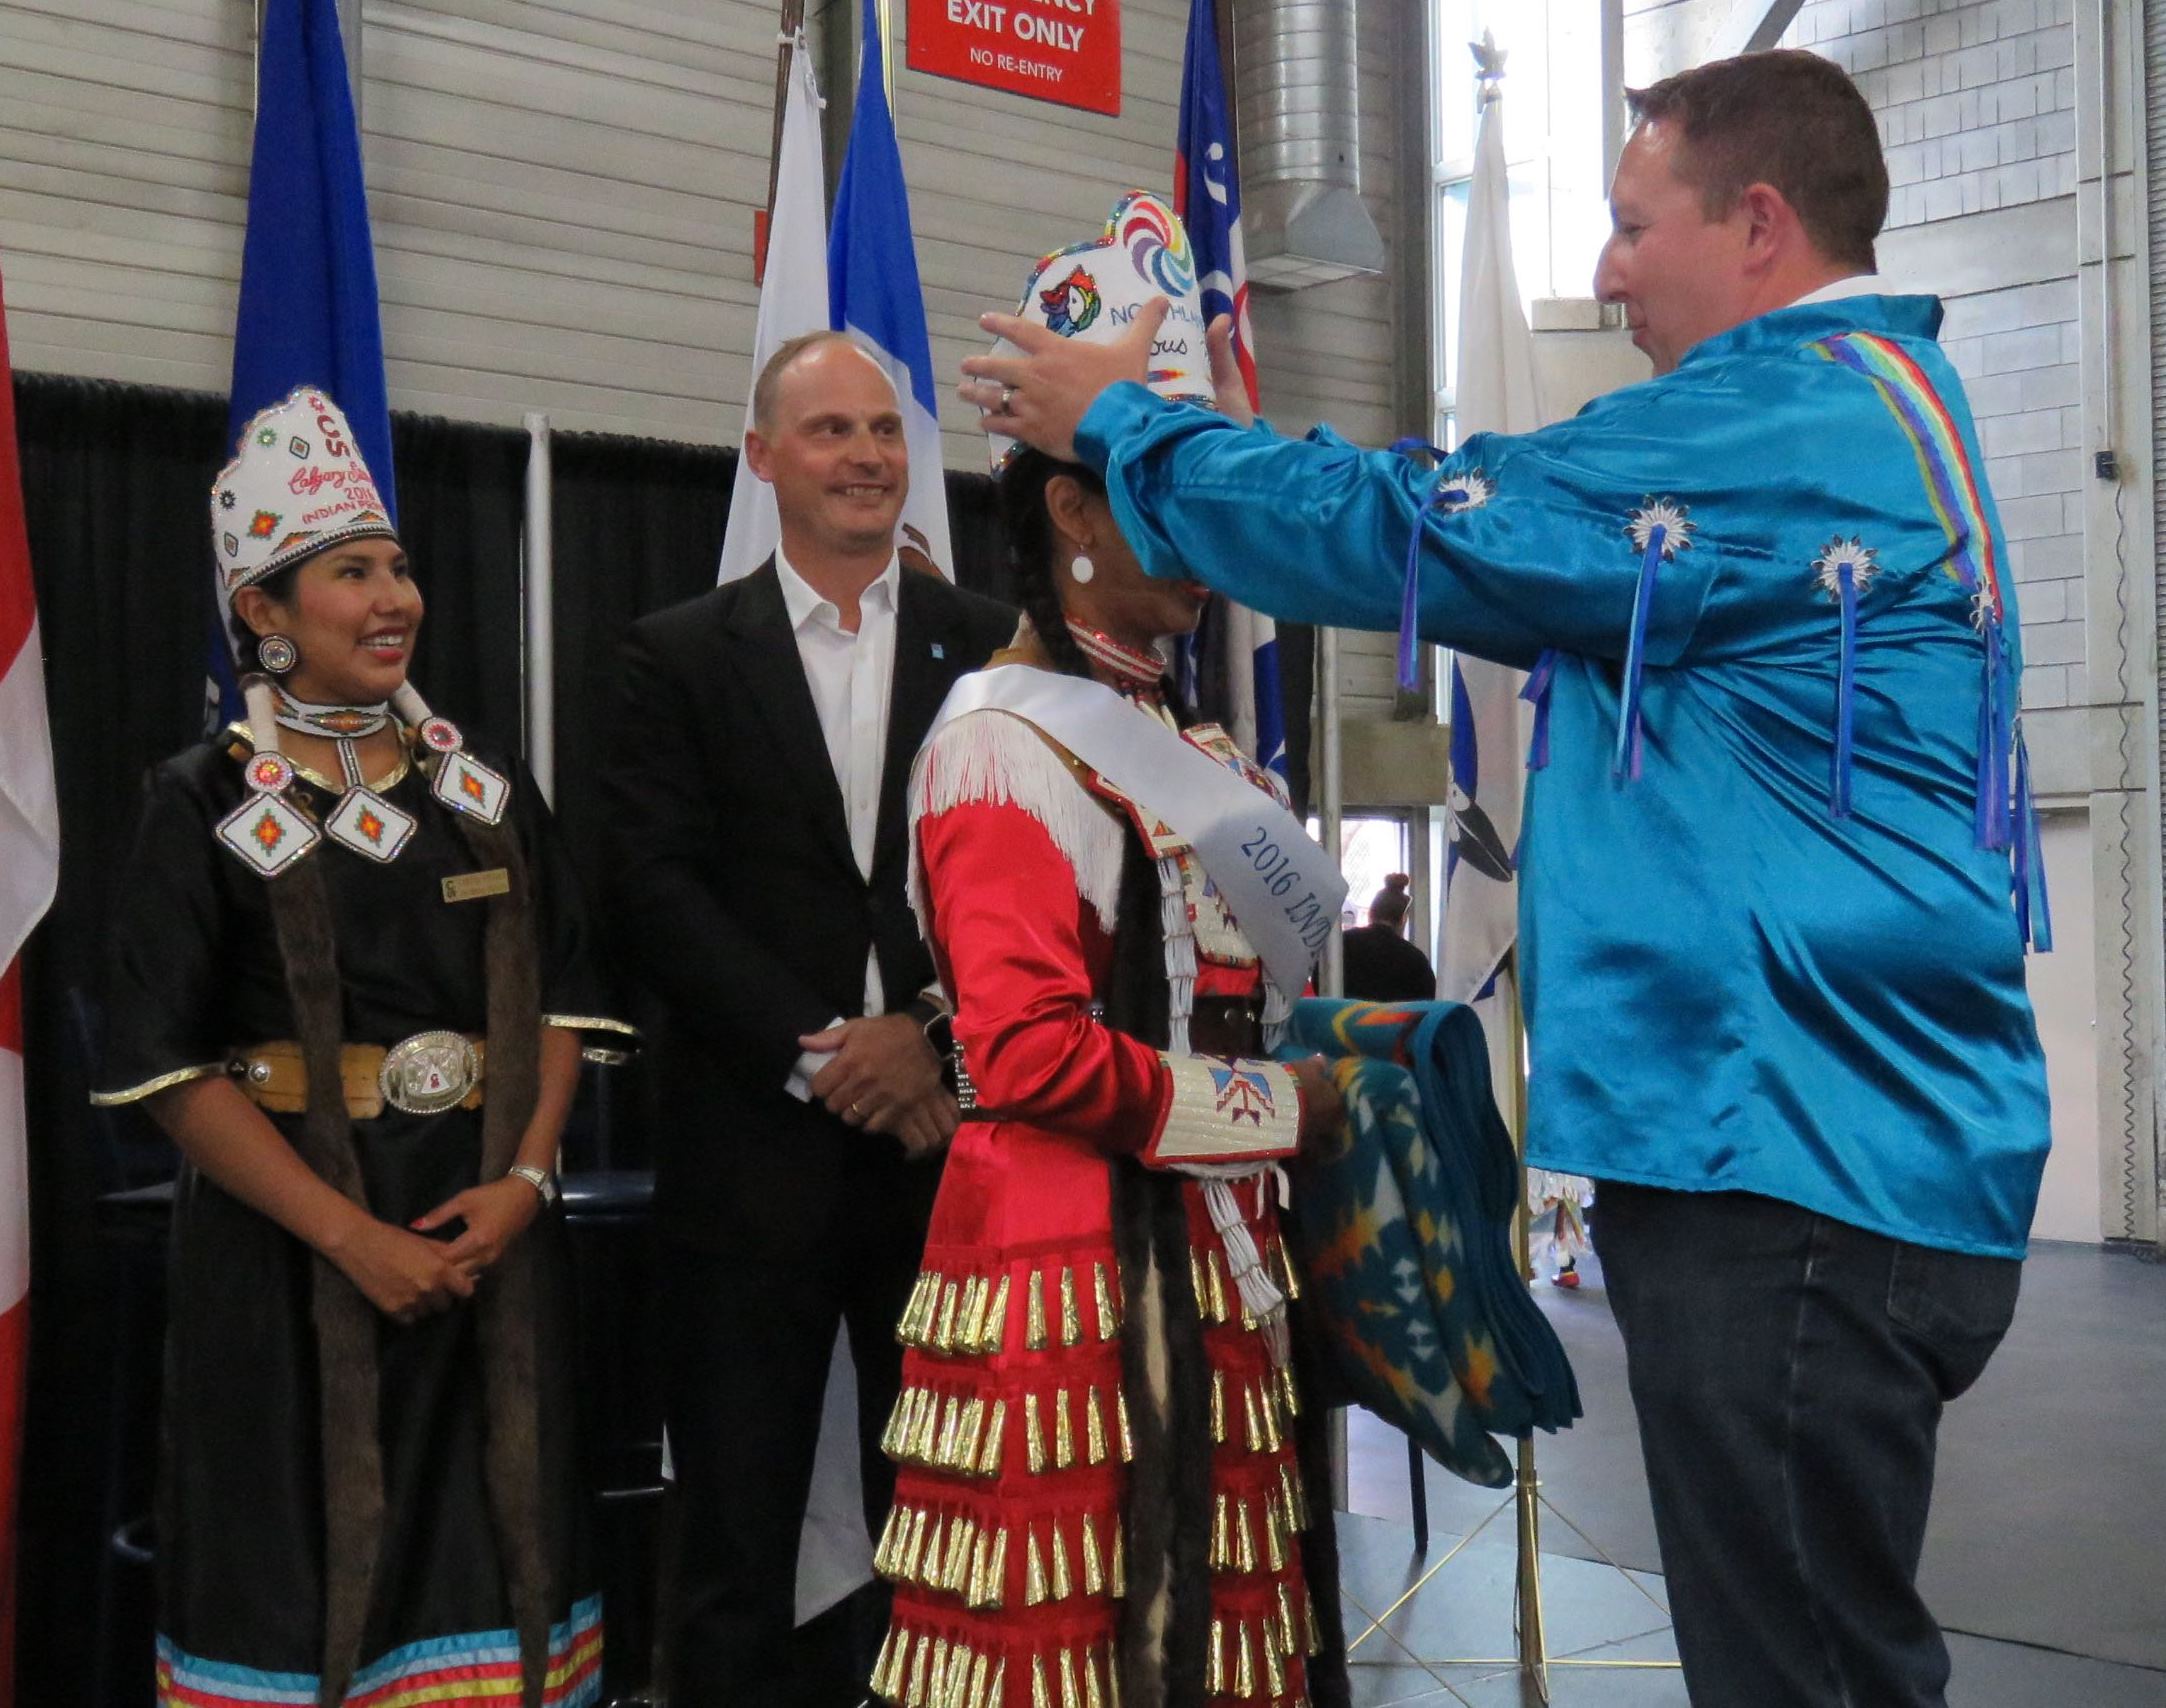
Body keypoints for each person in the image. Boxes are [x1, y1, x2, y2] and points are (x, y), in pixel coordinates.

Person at [959, 51, 2051, 1708]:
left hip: (1791, 1162)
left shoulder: (1789, 421)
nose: (1604, 272)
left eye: (1629, 224)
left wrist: (1129, 430)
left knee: (1801, 1673)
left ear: (1756, 222)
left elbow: (1442, 523)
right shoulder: (1858, 414)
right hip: (1818, 1150)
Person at [867, 190, 1349, 1708]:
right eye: (1161, 498)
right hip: (1067, 1278)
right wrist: (1284, 1113)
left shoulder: (1183, 742)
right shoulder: (1001, 745)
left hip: (1207, 1267)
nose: (1203, 542)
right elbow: (1021, 1056)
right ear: (1070, 514)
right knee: (1079, 1648)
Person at [92, 388, 628, 1707]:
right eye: (349, 574)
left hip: (486, 1235)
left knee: (497, 1548)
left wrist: (523, 1186)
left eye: (395, 567)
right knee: (300, 1556)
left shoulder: (485, 792)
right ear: (263, 614)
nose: (393, 597)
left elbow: (564, 1003)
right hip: (285, 1257)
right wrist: (350, 1238)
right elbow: (171, 1070)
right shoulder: (202, 801)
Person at [603, 331, 1015, 1705]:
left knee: (950, 1531)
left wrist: (931, 1035)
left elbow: (1041, 885)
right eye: (829, 431)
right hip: (746, 1172)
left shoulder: (995, 652)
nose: (863, 456)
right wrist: (830, 1054)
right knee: (732, 1544)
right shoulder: (673, 657)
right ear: (762, 457)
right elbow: (651, 894)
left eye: (884, 431)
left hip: (946, 1160)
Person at [1339, 874, 1435, 1004]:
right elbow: (1426, 1002)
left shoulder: (1343, 944)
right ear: (1403, 919)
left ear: (1370, 914)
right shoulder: (1415, 959)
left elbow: (1322, 982)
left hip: (1342, 1020)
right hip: (1396, 1023)